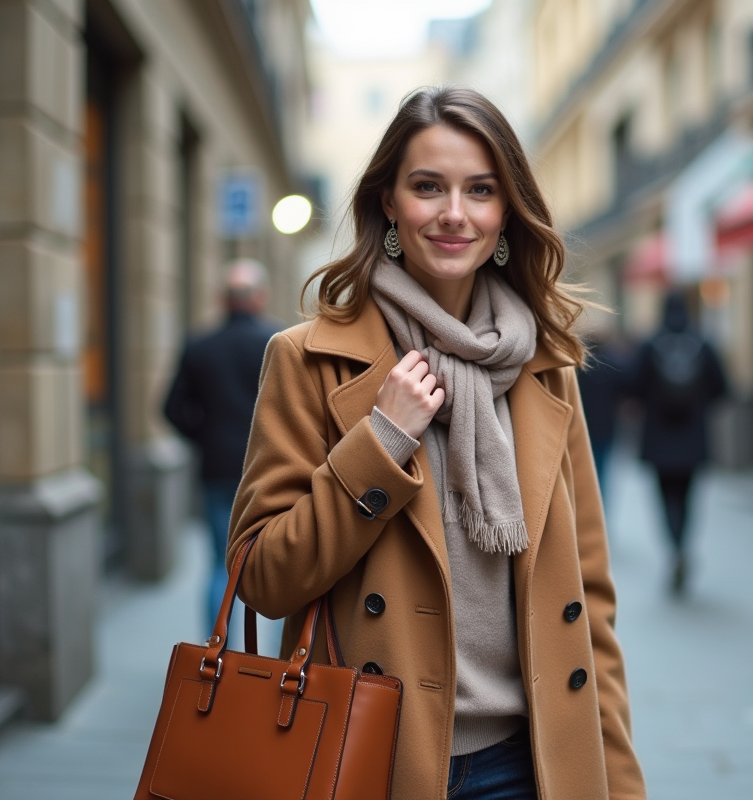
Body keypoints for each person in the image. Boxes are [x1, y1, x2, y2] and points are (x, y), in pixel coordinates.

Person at [226, 86, 645, 800]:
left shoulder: (545, 368)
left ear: (506, 211)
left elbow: (590, 606)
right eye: (428, 187)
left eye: (480, 189)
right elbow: (262, 578)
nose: (455, 213)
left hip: (531, 763)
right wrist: (380, 442)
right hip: (370, 756)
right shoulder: (309, 360)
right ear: (389, 203)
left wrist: (620, 783)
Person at [163, 259, 278, 635]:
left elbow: (171, 408)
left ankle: (216, 650)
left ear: (222, 299)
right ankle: (276, 655)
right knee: (276, 562)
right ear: (260, 297)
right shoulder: (278, 343)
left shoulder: (200, 346)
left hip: (217, 469)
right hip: (269, 469)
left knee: (220, 564)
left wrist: (206, 437)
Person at [634, 291, 727, 595]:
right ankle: (683, 545)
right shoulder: (703, 344)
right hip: (693, 437)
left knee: (665, 497)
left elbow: (632, 385)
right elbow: (722, 388)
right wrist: (698, 404)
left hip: (658, 438)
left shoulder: (650, 345)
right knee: (688, 498)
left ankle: (674, 548)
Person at [577, 332, 628, 495]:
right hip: (606, 423)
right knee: (601, 465)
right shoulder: (610, 365)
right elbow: (624, 389)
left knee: (581, 463)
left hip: (583, 422)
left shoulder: (578, 366)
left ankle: (585, 497)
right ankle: (598, 500)